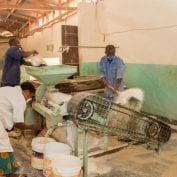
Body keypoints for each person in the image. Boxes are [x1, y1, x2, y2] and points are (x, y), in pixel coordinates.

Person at [0, 81, 40, 177]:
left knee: (6, 146)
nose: (28, 99)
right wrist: (31, 127)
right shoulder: (20, 99)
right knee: (3, 147)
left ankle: (12, 172)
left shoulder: (10, 89)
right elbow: (18, 124)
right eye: (30, 97)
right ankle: (8, 173)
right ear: (26, 92)